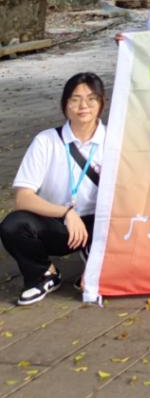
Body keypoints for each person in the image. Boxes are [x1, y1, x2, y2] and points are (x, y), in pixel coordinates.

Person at [0, 73, 105, 305]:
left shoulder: (114, 141)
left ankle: (97, 263)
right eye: (75, 99)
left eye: (91, 99)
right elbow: (23, 198)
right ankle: (44, 273)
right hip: (59, 223)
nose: (83, 106)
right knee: (13, 225)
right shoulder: (46, 141)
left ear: (101, 104)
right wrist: (66, 213)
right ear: (65, 104)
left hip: (103, 224)